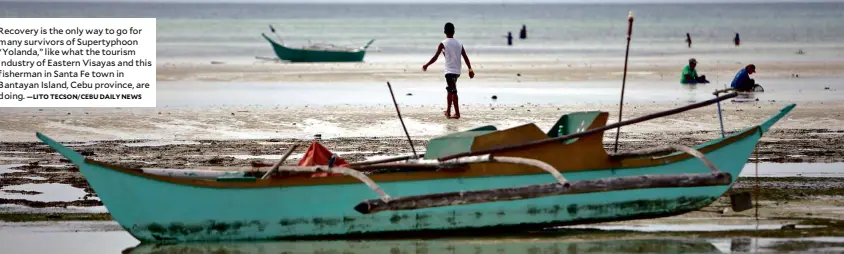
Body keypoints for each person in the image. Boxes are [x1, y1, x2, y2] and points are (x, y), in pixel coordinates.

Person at [422, 22, 475, 119]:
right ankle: (448, 111)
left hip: (449, 71)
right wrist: (470, 69)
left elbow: (435, 57)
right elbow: (465, 57)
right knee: (450, 90)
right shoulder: (459, 43)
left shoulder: (443, 43)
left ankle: (457, 113)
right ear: (454, 31)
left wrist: (427, 65)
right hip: (457, 71)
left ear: (444, 31)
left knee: (453, 91)